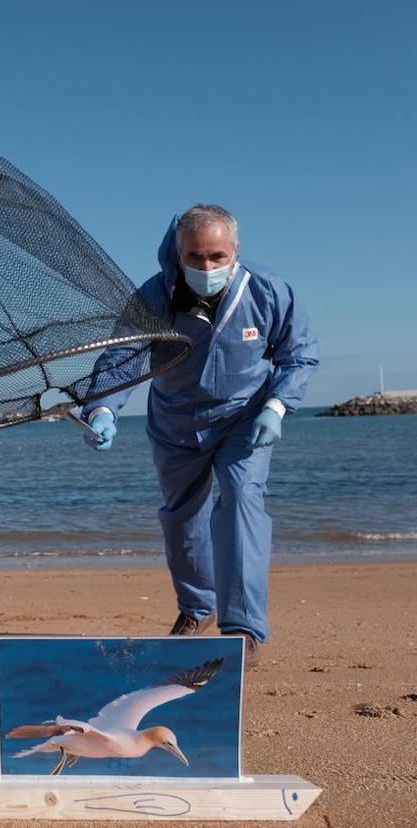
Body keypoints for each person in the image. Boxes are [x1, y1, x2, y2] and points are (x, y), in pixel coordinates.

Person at [83, 205, 318, 666]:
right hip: (175, 422)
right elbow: (123, 357)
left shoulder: (268, 291)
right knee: (181, 519)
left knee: (241, 497)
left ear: (234, 251)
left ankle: (242, 629)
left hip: (243, 419)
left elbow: (299, 354)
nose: (206, 267)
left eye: (216, 256)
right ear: (178, 252)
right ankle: (197, 607)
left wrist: (277, 406)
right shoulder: (154, 296)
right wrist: (103, 409)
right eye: (195, 256)